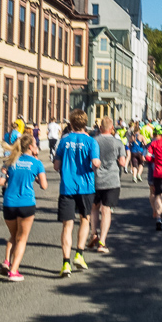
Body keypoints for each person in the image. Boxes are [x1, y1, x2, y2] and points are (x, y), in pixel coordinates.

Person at [53, 109, 101, 277]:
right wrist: (96, 163)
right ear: (85, 123)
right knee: (85, 220)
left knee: (67, 225)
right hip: (86, 187)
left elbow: (56, 166)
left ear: (71, 124)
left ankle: (65, 263)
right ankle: (79, 255)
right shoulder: (91, 141)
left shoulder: (64, 140)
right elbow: (96, 162)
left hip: (67, 187)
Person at [0, 133, 46, 281]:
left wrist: (8, 177)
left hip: (9, 203)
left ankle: (7, 261)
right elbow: (44, 185)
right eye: (35, 144)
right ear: (30, 147)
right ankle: (14, 271)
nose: (37, 146)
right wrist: (34, 176)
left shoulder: (10, 161)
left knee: (13, 235)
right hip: (26, 204)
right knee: (22, 238)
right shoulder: (37, 164)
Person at [90, 117, 126, 254]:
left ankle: (93, 233)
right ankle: (102, 242)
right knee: (106, 210)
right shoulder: (117, 142)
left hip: (95, 179)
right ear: (112, 129)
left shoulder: (93, 141)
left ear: (100, 128)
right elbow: (122, 162)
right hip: (111, 180)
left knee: (94, 208)